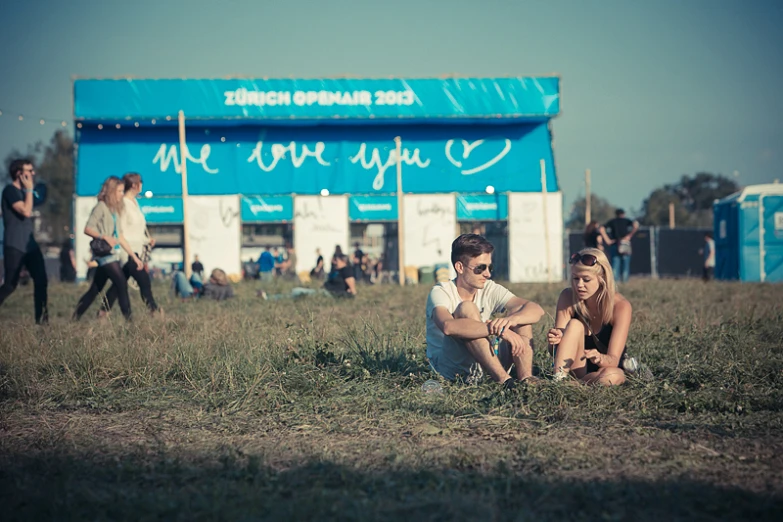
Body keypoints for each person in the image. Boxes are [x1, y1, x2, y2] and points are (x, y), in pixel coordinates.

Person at [425, 234, 545, 386]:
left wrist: (510, 321)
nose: (487, 274)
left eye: (490, 267)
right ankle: (505, 382)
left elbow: (536, 309)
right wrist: (499, 330)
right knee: (467, 308)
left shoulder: (489, 287)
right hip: (451, 371)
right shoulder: (441, 291)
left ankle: (526, 381)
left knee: (522, 316)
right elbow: (448, 326)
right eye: (480, 268)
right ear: (460, 267)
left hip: (484, 365)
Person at [546, 248, 631, 386]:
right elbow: (555, 352)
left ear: (602, 278)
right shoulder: (567, 297)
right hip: (574, 367)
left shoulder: (620, 306)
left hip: (605, 369)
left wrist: (600, 357)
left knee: (613, 375)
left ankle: (575, 385)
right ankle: (559, 380)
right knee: (574, 325)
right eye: (575, 278)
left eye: (586, 279)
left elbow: (613, 360)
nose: (579, 285)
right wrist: (553, 342)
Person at [73, 176, 143, 321]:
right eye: (119, 191)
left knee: (95, 289)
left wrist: (134, 257)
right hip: (104, 253)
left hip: (112, 253)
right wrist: (104, 236)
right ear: (111, 191)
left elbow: (120, 237)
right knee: (121, 283)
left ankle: (76, 317)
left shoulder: (115, 210)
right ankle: (129, 321)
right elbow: (87, 228)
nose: (121, 194)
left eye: (122, 191)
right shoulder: (101, 207)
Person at [100, 173, 160, 315]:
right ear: (134, 185)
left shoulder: (135, 202)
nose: (142, 184)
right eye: (141, 182)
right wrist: (128, 251)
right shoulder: (124, 204)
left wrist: (147, 240)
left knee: (118, 285)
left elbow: (136, 229)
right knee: (144, 281)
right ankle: (154, 310)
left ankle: (103, 311)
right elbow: (121, 230)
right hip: (127, 251)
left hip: (137, 248)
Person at [0, 159, 48, 324]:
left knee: (41, 281)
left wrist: (32, 191)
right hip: (14, 245)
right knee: (10, 285)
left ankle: (42, 322)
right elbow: (26, 211)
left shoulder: (26, 193)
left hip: (30, 245)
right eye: (29, 171)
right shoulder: (9, 191)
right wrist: (29, 189)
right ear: (19, 174)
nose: (33, 174)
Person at [260, 253, 356, 300]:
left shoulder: (346, 270)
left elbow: (352, 287)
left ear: (343, 261)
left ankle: (269, 298)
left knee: (297, 292)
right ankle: (270, 297)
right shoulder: (337, 270)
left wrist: (350, 295)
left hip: (330, 294)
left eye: (337, 260)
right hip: (325, 292)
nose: (335, 262)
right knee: (297, 292)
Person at [601, 209, 638, 283]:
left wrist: (607, 240)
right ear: (623, 214)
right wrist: (629, 236)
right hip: (625, 244)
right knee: (625, 265)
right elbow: (636, 225)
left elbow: (602, 228)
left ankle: (615, 282)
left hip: (614, 244)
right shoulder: (627, 221)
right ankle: (625, 281)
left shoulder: (612, 222)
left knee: (615, 264)